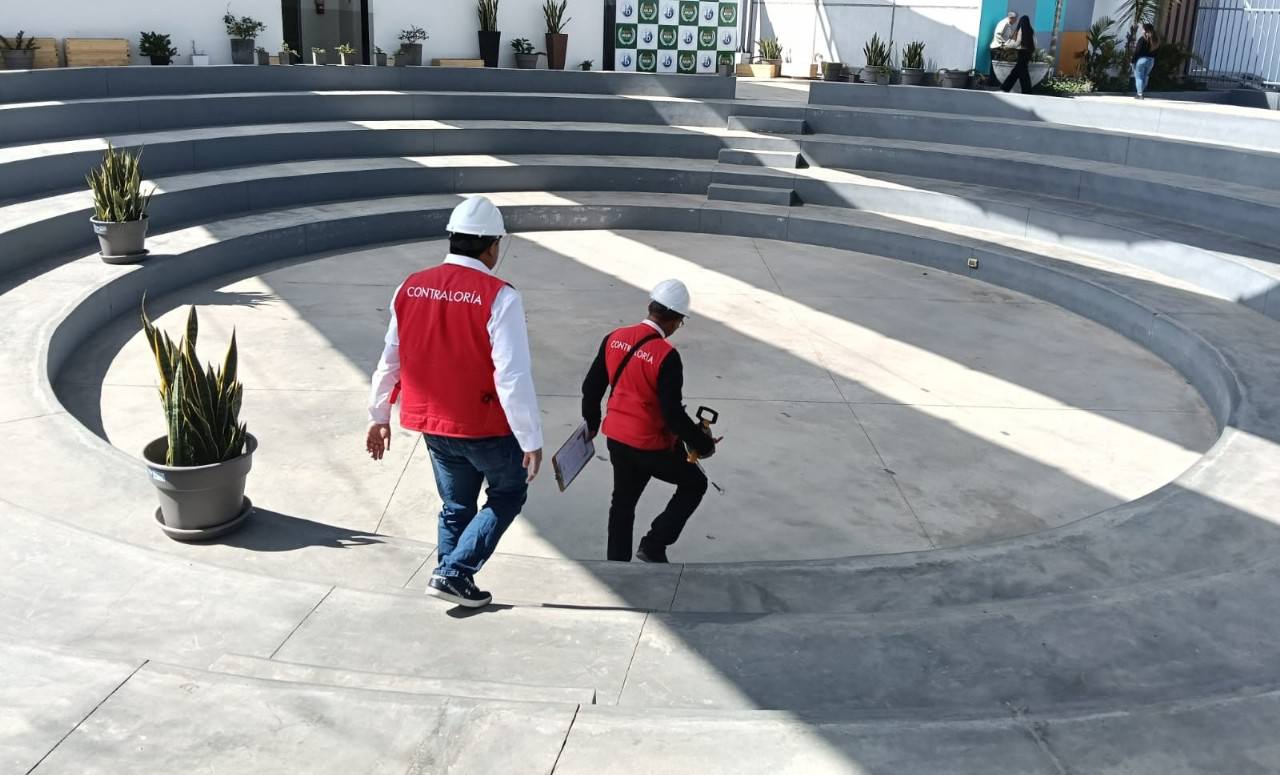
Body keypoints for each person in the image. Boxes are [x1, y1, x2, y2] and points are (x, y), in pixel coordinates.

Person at [366, 195, 543, 608]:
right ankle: (454, 572)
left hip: (431, 425)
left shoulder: (409, 285)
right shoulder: (500, 296)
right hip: (485, 427)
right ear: (491, 246)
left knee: (456, 503)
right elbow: (512, 376)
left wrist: (379, 415)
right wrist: (530, 438)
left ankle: (449, 575)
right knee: (507, 494)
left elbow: (390, 356)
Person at [580, 280, 720, 563]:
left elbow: (591, 388)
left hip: (617, 439)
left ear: (651, 307)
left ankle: (617, 564)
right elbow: (671, 413)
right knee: (695, 484)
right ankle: (655, 544)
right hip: (650, 445)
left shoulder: (614, 338)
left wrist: (592, 422)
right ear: (676, 320)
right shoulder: (667, 356)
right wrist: (702, 443)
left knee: (622, 502)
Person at [999, 16, 1036, 93]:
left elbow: (1017, 43)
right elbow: (1034, 42)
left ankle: (1006, 88)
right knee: (1018, 72)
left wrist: (1006, 46)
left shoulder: (1021, 30)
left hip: (1021, 52)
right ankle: (1006, 88)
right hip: (1028, 53)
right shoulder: (1031, 30)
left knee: (1020, 73)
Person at [989, 12, 1019, 83]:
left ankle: (994, 81)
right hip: (997, 47)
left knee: (997, 65)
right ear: (1011, 18)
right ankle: (992, 82)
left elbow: (1006, 35)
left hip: (999, 47)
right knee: (995, 65)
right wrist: (1003, 44)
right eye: (1015, 20)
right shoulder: (1004, 23)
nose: (1015, 22)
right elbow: (997, 34)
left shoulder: (1008, 24)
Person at [1133, 23, 1158, 99]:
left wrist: (1133, 61)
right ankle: (1140, 92)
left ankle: (1140, 94)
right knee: (1145, 77)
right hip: (1151, 60)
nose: (1142, 30)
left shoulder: (1142, 39)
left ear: (1145, 30)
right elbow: (1157, 51)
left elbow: (1137, 51)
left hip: (1142, 59)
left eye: (1143, 29)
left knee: (1138, 77)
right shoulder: (1155, 40)